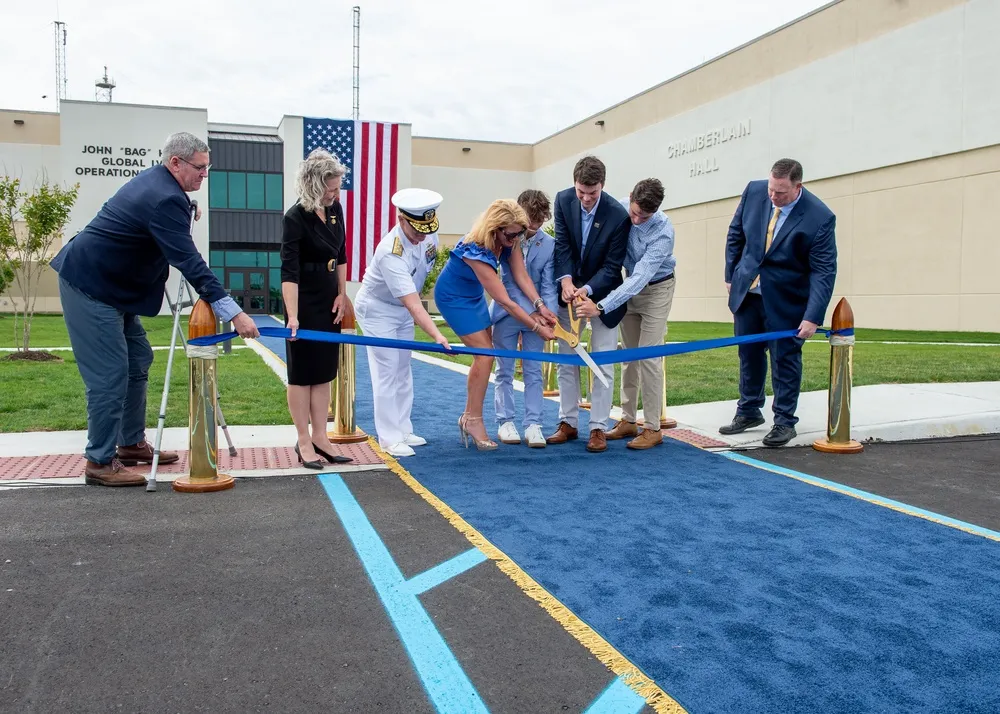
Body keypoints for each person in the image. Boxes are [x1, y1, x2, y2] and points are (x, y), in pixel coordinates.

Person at [49, 131, 260, 487]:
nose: (204, 175)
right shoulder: (165, 197)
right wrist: (234, 313)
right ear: (175, 162)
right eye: (200, 168)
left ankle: (130, 443)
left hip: (113, 287)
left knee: (139, 359)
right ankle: (99, 461)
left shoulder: (164, 187)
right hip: (91, 285)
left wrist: (187, 207)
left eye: (207, 168)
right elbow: (189, 261)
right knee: (110, 374)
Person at [722, 158, 837, 447]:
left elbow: (824, 271)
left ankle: (785, 421)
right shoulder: (754, 191)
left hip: (787, 299)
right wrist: (730, 276)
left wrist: (813, 315)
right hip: (748, 291)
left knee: (784, 359)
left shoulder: (819, 217)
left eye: (781, 192)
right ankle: (748, 411)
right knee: (748, 353)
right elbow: (736, 234)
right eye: (772, 189)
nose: (773, 196)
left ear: (798, 186)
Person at [434, 199, 557, 451]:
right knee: (485, 356)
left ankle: (469, 416)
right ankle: (474, 421)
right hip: (453, 298)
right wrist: (536, 327)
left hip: (474, 296)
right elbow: (506, 302)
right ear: (495, 229)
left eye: (520, 233)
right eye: (512, 234)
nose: (517, 238)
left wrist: (540, 306)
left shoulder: (509, 241)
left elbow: (521, 275)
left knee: (485, 353)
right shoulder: (475, 250)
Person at [575, 178, 676, 450]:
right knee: (628, 355)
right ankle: (628, 420)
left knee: (649, 357)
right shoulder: (618, 209)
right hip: (627, 286)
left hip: (656, 289)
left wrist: (600, 306)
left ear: (655, 211)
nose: (637, 220)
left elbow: (640, 278)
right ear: (630, 196)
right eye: (634, 213)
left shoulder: (664, 232)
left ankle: (653, 428)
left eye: (645, 216)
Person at [355, 188, 452, 458]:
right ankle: (389, 437)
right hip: (378, 309)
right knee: (387, 369)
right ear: (401, 220)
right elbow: (413, 303)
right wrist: (437, 336)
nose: (423, 236)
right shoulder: (390, 251)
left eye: (427, 228)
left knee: (403, 368)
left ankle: (403, 428)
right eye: (417, 229)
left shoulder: (428, 234)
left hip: (400, 310)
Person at [545, 155, 631, 453]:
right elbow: (563, 245)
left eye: (592, 193)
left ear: (602, 186)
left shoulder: (618, 214)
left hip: (604, 296)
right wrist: (566, 281)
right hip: (568, 295)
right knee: (567, 361)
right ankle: (567, 423)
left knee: (602, 364)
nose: (584, 198)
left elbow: (613, 266)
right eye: (581, 191)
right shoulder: (562, 200)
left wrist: (587, 290)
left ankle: (598, 427)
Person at [280, 149, 356, 469]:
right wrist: (293, 316)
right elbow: (289, 271)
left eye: (338, 187)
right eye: (332, 187)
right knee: (302, 375)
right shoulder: (295, 217)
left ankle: (321, 437)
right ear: (314, 183)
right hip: (303, 299)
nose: (336, 193)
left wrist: (342, 294)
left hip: (328, 299)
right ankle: (302, 440)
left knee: (324, 372)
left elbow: (340, 255)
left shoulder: (335, 209)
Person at [490, 190, 558, 448]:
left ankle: (534, 425)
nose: (532, 230)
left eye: (539, 224)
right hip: (506, 311)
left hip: (539, 316)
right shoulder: (505, 239)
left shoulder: (550, 245)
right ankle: (505, 422)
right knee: (504, 370)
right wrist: (530, 312)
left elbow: (549, 284)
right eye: (529, 224)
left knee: (533, 371)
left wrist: (547, 313)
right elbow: (507, 282)